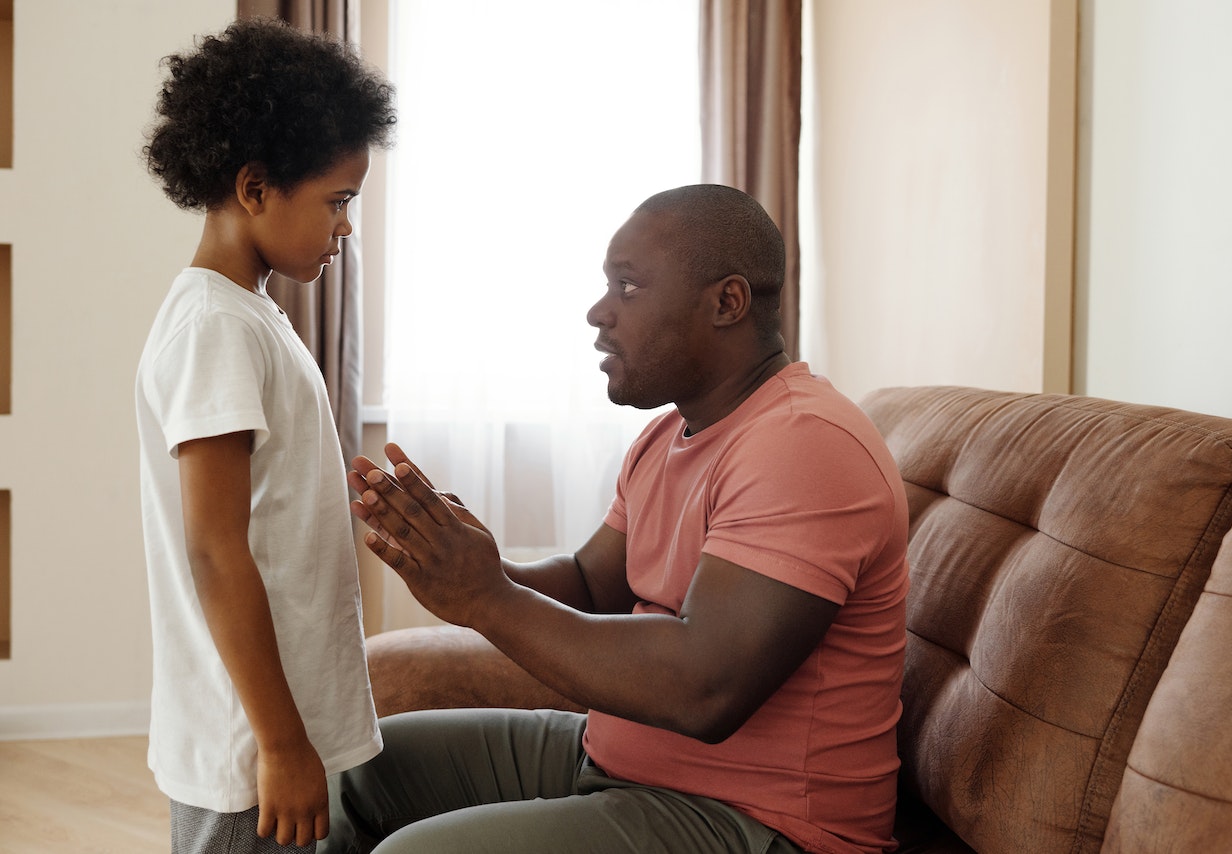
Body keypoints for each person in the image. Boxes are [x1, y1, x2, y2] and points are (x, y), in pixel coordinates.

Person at [327, 184, 910, 854]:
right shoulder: (668, 436)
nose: (598, 312)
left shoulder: (803, 443)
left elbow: (706, 689)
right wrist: (478, 565)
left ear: (727, 302)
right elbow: (590, 582)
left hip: (760, 821)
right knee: (357, 767)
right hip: (616, 761)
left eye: (628, 286)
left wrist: (487, 599)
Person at [135, 18, 396, 853]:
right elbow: (216, 551)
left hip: (280, 721)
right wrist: (282, 746)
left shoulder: (249, 315)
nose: (347, 228)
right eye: (338, 202)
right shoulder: (215, 326)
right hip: (250, 740)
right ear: (254, 187)